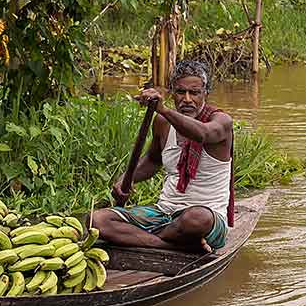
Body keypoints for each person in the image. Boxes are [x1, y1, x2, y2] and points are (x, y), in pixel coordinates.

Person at [89, 59, 234, 254]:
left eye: (195, 93)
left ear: (205, 93)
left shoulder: (221, 121)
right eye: (181, 92)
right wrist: (126, 178)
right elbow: (153, 159)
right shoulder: (163, 123)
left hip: (206, 217)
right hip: (165, 212)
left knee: (197, 219)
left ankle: (148, 238)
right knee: (96, 220)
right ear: (172, 93)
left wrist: (164, 109)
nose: (187, 99)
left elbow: (203, 134)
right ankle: (170, 244)